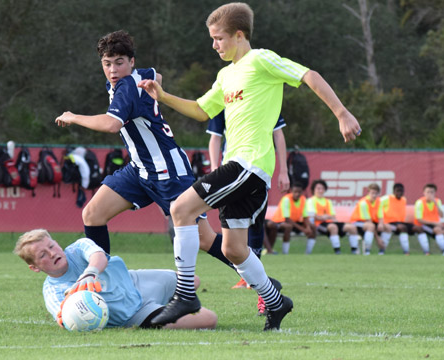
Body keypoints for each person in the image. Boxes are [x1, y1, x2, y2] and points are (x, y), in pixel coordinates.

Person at [138, 2, 361, 330]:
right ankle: (276, 301)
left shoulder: (260, 59)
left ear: (239, 35)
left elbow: (308, 75)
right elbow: (202, 110)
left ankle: (185, 295)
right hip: (241, 167)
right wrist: (163, 96)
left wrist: (342, 113)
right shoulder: (225, 75)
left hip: (250, 164)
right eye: (212, 39)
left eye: (219, 38)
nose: (214, 45)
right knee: (234, 248)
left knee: (181, 208)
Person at [54, 30, 230, 269]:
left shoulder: (126, 86)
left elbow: (111, 124)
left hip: (168, 170)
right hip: (140, 170)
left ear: (131, 62)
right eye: (107, 64)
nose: (113, 70)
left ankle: (262, 280)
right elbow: (157, 75)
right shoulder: (138, 76)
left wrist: (73, 116)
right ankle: (103, 280)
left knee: (204, 239)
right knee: (93, 215)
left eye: (119, 63)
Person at [13, 229, 217, 329]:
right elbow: (65, 317)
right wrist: (67, 316)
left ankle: (167, 306)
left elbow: (98, 256)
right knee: (209, 319)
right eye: (42, 256)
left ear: (56, 243)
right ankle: (161, 312)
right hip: (135, 314)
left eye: (51, 246)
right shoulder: (53, 291)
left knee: (193, 281)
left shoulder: (76, 248)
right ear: (35, 268)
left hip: (136, 281)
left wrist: (90, 272)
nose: (51, 254)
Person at [207, 110, 289, 286]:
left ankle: (251, 279)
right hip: (231, 169)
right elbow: (215, 137)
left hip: (259, 167)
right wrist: (215, 167)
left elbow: (278, 135)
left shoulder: (265, 94)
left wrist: (284, 170)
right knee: (231, 227)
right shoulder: (224, 99)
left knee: (255, 221)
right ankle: (253, 276)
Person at [306, 179, 359, 254]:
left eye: (322, 189)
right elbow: (313, 216)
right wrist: (324, 217)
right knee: (333, 227)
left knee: (351, 227)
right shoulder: (310, 201)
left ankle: (354, 251)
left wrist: (325, 216)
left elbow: (333, 216)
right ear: (313, 190)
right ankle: (337, 251)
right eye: (318, 188)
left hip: (330, 222)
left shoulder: (328, 201)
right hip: (318, 224)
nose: (320, 191)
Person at [264, 182, 314, 255]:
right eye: (295, 192)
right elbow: (287, 219)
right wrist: (303, 229)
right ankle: (285, 253)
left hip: (295, 222)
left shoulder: (303, 199)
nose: (297, 194)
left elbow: (305, 216)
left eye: (299, 192)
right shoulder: (286, 199)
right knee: (288, 227)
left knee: (313, 227)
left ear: (302, 192)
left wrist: (308, 227)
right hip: (280, 221)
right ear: (291, 191)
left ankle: (308, 253)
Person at [414, 183, 444, 256]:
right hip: (424, 226)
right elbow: (419, 219)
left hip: (436, 225)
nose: (429, 194)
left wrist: (436, 204)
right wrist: (434, 223)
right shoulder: (420, 202)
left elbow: (442, 215)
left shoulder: (437, 201)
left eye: (432, 192)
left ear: (435, 193)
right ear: (424, 193)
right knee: (438, 230)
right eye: (428, 192)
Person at [377, 183, 418, 255]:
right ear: (393, 191)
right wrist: (381, 221)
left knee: (418, 228)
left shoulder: (404, 199)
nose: (400, 193)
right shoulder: (386, 198)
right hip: (389, 222)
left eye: (401, 191)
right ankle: (405, 251)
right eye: (397, 191)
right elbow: (377, 206)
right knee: (402, 228)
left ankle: (426, 252)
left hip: (400, 222)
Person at [350, 183, 384, 255]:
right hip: (357, 222)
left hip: (369, 222)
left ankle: (382, 250)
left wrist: (381, 224)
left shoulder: (379, 201)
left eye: (376, 193)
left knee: (386, 227)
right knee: (371, 226)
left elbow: (380, 216)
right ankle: (367, 250)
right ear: (368, 193)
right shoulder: (363, 203)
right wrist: (377, 238)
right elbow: (368, 221)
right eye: (372, 193)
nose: (374, 195)